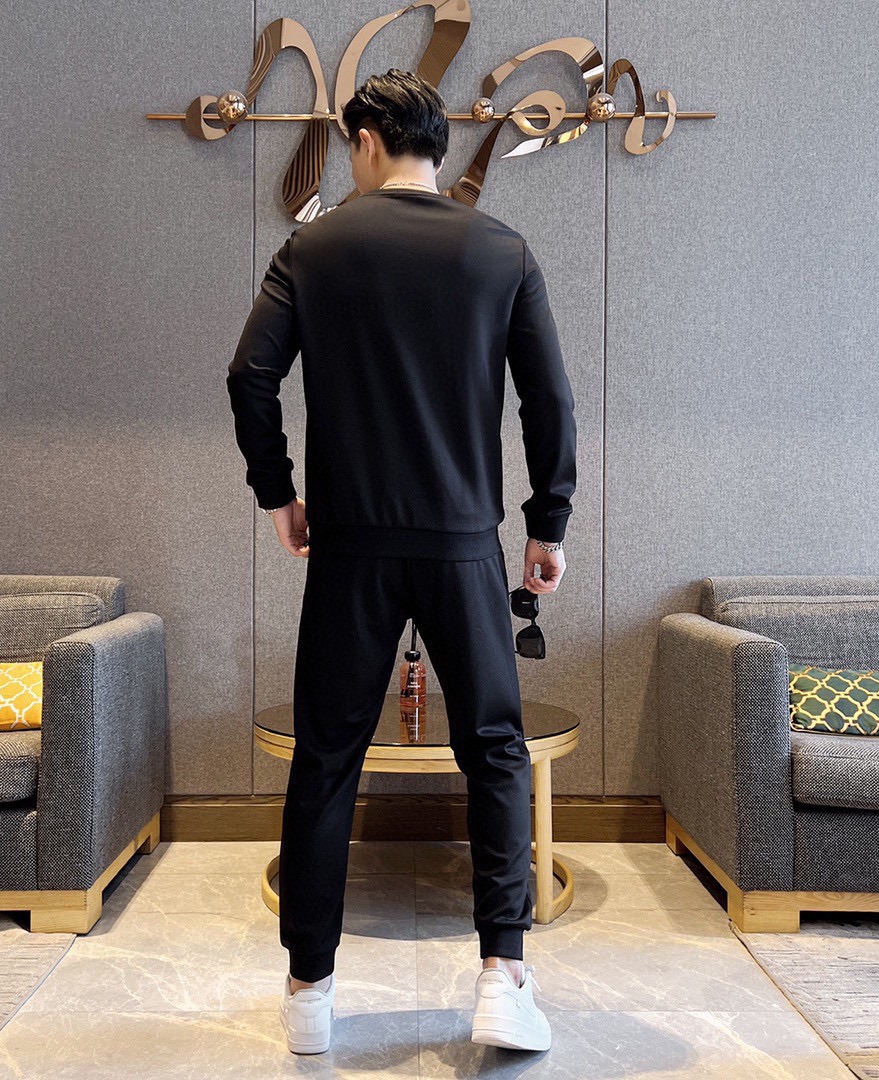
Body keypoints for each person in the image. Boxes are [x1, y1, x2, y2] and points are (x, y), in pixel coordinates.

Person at [226, 68, 577, 1056]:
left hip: (351, 547)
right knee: (494, 750)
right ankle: (503, 975)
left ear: (369, 140)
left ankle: (309, 992)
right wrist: (547, 524)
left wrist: (278, 494)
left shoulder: (313, 248)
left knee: (327, 759)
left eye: (351, 145)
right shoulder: (501, 250)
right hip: (463, 545)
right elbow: (549, 400)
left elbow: (250, 376)